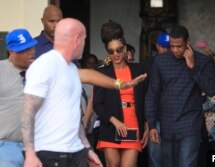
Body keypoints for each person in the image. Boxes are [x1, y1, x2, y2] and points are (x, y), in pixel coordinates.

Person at [21, 18, 147, 167]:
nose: (84, 43)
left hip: (73, 150)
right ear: (75, 40)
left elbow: (88, 79)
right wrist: (29, 153)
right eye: (83, 38)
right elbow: (27, 113)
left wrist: (87, 148)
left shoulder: (71, 69)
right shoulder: (44, 65)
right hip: (51, 151)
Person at [145, 25, 215, 167]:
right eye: (172, 46)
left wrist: (193, 68)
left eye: (179, 46)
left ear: (187, 42)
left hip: (189, 125)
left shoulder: (203, 61)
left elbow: (211, 90)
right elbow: (152, 94)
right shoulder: (161, 61)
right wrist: (152, 125)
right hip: (166, 126)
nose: (175, 50)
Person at [93, 20, 149, 167]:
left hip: (133, 124)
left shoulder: (138, 70)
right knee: (113, 164)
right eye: (111, 51)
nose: (116, 54)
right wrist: (114, 120)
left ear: (125, 49)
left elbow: (147, 98)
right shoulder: (102, 72)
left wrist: (147, 124)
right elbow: (97, 105)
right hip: (111, 125)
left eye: (119, 50)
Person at [0, 29, 37, 167]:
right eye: (24, 49)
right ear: (11, 51)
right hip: (6, 147)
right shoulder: (1, 69)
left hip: (36, 146)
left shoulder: (40, 70)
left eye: (31, 46)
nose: (31, 52)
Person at [147, 32, 170, 167]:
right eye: (163, 47)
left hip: (174, 119)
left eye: (169, 47)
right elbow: (146, 94)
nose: (166, 50)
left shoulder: (180, 63)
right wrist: (148, 122)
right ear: (157, 46)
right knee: (156, 159)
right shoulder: (149, 64)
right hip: (155, 119)